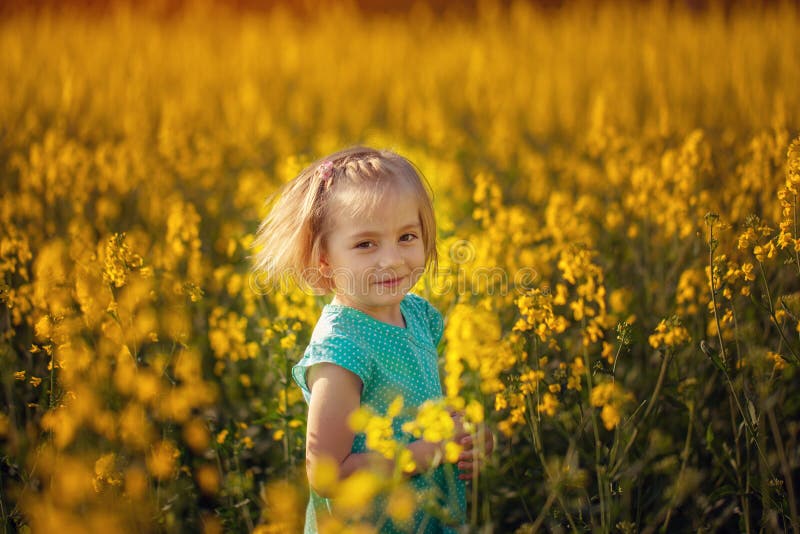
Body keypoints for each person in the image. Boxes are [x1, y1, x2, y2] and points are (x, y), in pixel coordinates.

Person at [251, 146, 494, 533]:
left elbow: (423, 404)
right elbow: (329, 474)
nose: (392, 259)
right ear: (325, 260)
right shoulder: (341, 351)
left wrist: (463, 439)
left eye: (407, 237)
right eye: (366, 244)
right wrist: (428, 452)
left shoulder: (416, 315)